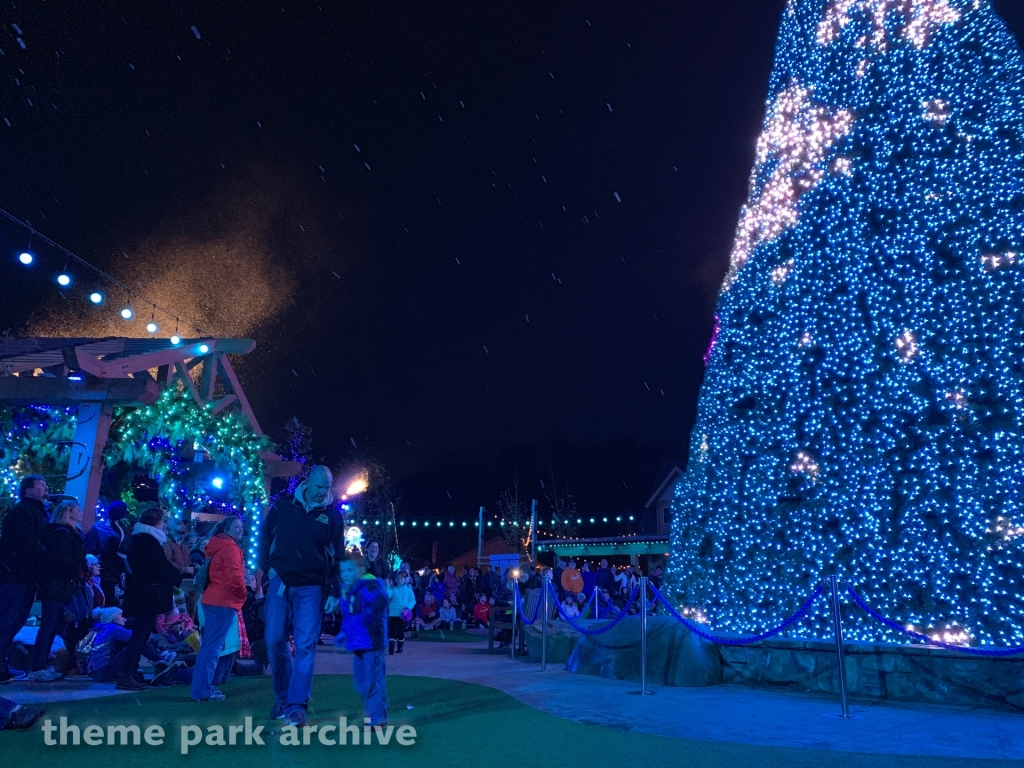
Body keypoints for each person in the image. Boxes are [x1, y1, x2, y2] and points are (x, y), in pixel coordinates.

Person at [258, 465, 344, 728]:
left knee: (305, 646)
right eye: (319, 487)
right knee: (274, 640)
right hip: (281, 582)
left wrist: (334, 590)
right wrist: (267, 568)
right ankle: (283, 698)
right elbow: (263, 536)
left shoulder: (332, 515)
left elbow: (338, 554)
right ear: (308, 483)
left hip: (313, 586)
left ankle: (296, 706)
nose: (323, 493)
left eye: (327, 488)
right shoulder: (283, 506)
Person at [117, 507, 183, 690]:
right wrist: (176, 576)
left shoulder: (139, 539)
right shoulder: (148, 541)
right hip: (145, 595)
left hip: (140, 594)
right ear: (156, 522)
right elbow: (160, 566)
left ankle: (131, 672)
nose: (165, 526)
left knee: (140, 634)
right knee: (140, 634)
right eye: (163, 522)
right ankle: (127, 673)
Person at [29, 501, 87, 681]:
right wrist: (79, 571)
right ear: (68, 513)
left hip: (62, 585)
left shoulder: (69, 533)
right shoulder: (62, 533)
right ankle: (37, 666)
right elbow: (61, 559)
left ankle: (43, 663)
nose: (81, 512)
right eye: (77, 510)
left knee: (54, 626)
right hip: (57, 585)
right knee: (49, 625)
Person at [191, 516, 247, 702]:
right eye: (236, 527)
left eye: (241, 527)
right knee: (212, 648)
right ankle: (203, 690)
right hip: (223, 601)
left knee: (208, 647)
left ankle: (201, 688)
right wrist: (242, 595)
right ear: (227, 529)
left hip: (212, 598)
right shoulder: (230, 548)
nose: (240, 529)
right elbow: (235, 577)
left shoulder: (217, 545)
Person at [0, 475, 49, 684]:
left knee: (14, 621)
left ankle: (2, 664)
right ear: (28, 490)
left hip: (24, 576)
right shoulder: (23, 513)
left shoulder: (35, 512)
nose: (46, 488)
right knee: (9, 620)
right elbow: (26, 545)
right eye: (41, 485)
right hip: (17, 577)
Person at [338, 556, 389, 727]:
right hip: (358, 643)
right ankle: (376, 713)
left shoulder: (368, 585)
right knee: (361, 682)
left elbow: (381, 598)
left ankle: (377, 718)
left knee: (372, 681)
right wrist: (344, 633)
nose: (345, 574)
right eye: (342, 571)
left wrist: (372, 618)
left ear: (360, 570)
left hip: (371, 641)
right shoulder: (349, 590)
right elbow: (349, 617)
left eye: (349, 570)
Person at [83, 501, 129, 607]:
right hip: (111, 575)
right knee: (108, 605)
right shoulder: (121, 533)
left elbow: (88, 547)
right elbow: (123, 557)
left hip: (93, 572)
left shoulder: (97, 526)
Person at [387, 572, 416, 655]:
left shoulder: (409, 590)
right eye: (398, 578)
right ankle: (391, 645)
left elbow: (412, 601)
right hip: (393, 614)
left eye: (401, 578)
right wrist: (387, 586)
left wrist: (408, 607)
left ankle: (400, 647)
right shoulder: (393, 589)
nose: (399, 580)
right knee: (393, 631)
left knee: (400, 632)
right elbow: (388, 595)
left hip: (404, 615)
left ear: (406, 580)